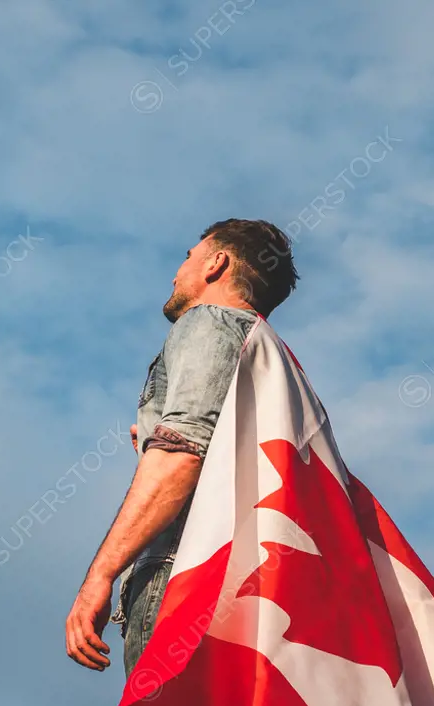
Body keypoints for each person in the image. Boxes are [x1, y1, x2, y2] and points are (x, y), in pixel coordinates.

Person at [64, 218, 299, 676]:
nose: (176, 272)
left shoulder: (208, 321)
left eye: (187, 257)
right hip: (253, 590)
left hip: (183, 576)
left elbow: (183, 452)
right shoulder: (277, 360)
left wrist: (100, 575)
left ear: (216, 263)